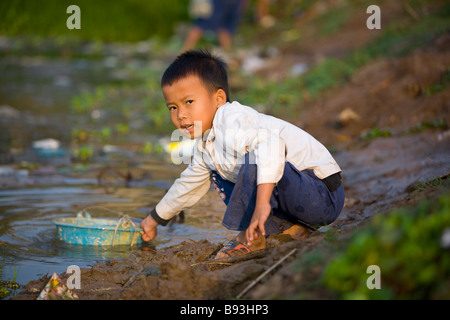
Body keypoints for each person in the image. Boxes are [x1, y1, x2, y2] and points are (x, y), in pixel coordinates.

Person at [140, 50, 345, 259]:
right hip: (302, 200)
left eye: (189, 102)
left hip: (321, 193)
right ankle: (289, 230)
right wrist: (154, 219)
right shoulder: (205, 146)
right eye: (173, 107)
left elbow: (270, 145)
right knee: (216, 174)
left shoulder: (232, 120)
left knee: (254, 158)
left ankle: (250, 236)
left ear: (218, 98)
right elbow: (187, 185)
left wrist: (262, 203)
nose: (181, 115)